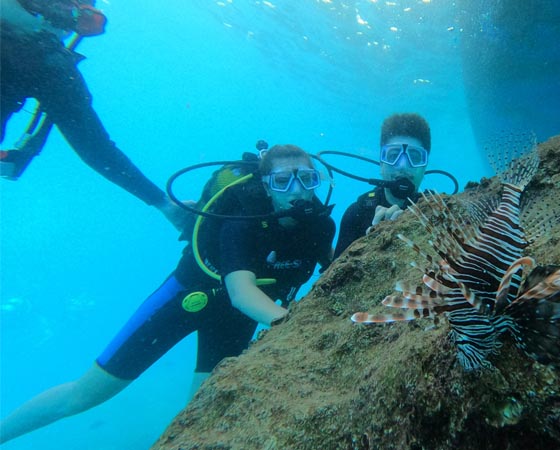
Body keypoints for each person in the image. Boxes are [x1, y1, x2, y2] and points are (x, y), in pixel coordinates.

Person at [0, 144, 336, 443]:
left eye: (308, 179)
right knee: (83, 396)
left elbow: (335, 271)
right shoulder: (243, 218)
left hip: (235, 322)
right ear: (266, 185)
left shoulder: (321, 225)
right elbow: (241, 291)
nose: (298, 192)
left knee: (204, 412)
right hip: (185, 300)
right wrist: (294, 325)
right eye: (283, 182)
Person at [0, 0, 188, 230]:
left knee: (95, 146)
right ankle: (165, 205)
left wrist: (163, 203)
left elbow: (96, 149)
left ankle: (166, 206)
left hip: (45, 58)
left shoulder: (52, 63)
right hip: (30, 55)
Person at [333, 113, 431, 258]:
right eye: (393, 156)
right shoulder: (356, 215)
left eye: (415, 157)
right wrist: (372, 244)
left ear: (425, 168)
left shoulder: (436, 213)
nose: (403, 166)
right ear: (381, 164)